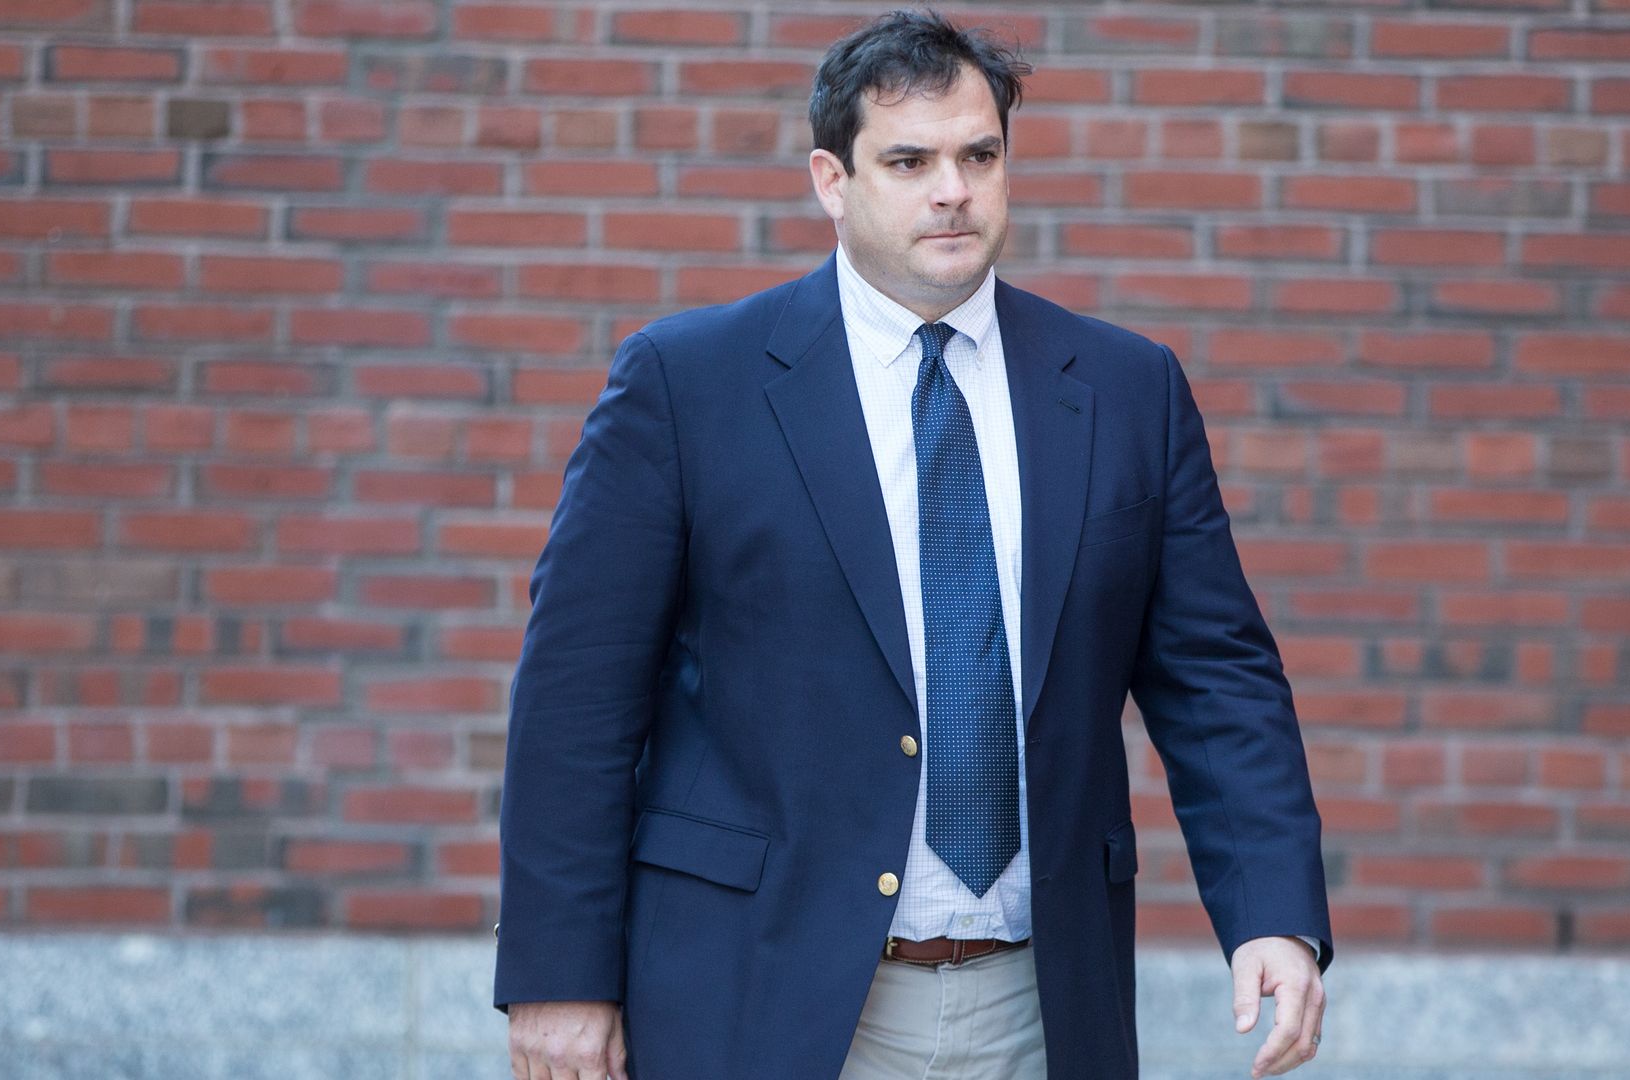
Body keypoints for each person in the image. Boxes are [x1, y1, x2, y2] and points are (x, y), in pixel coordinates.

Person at [492, 9, 1332, 1079]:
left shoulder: (1127, 389)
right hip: (760, 994)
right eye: (909, 161)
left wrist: (1274, 913)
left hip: (1039, 1002)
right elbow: (578, 697)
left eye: (979, 156)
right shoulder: (687, 384)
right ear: (831, 181)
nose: (953, 190)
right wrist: (560, 973)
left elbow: (1217, 678)